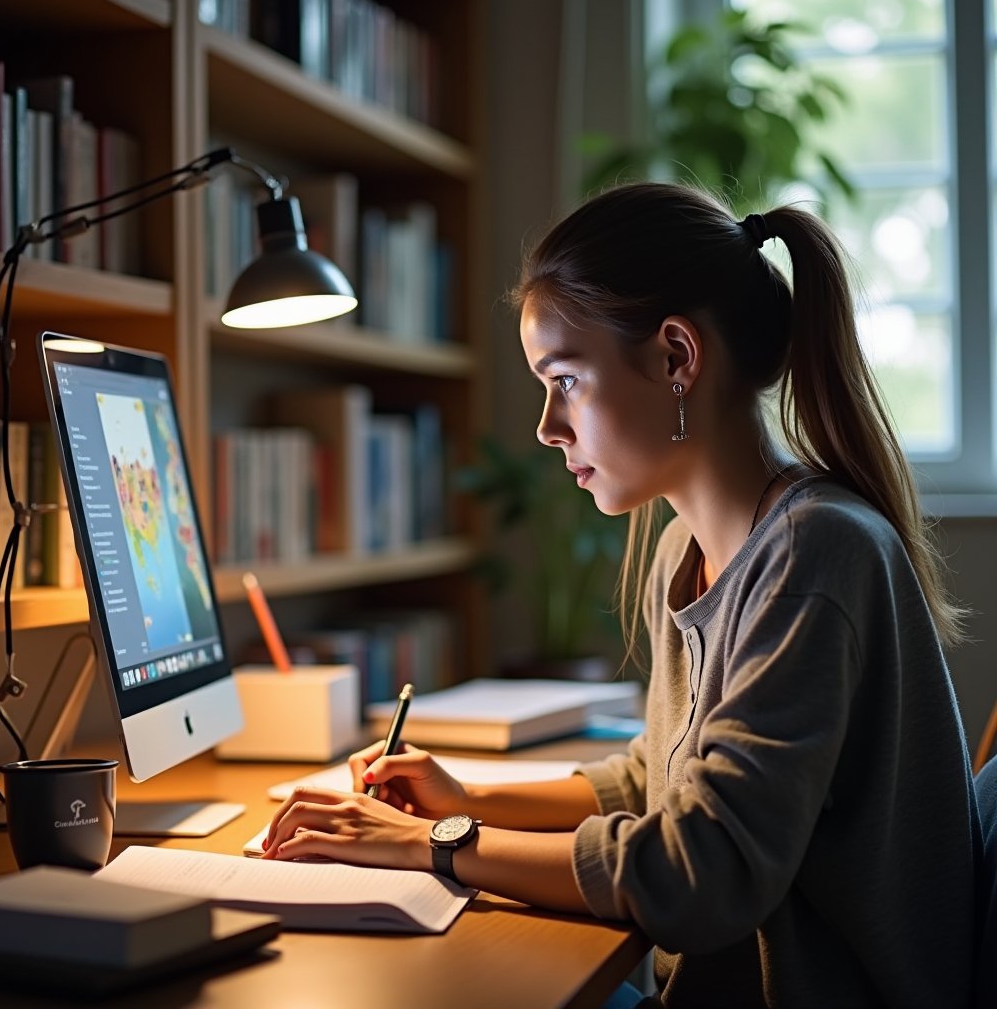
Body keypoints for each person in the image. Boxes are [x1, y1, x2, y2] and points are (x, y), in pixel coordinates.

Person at [262, 183, 981, 1007]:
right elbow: (660, 778)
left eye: (564, 378)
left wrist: (433, 842)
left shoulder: (815, 556)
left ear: (676, 357)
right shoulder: (690, 548)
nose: (545, 425)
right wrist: (468, 798)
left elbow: (698, 873)